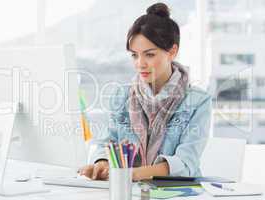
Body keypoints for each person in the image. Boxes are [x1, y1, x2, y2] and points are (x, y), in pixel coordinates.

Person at [79, 2, 211, 181]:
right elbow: (105, 142)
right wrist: (101, 163)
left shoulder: (198, 101)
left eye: (149, 54)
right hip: (129, 191)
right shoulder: (121, 96)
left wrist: (132, 174)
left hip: (177, 192)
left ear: (172, 52)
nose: (140, 64)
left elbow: (186, 163)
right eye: (135, 55)